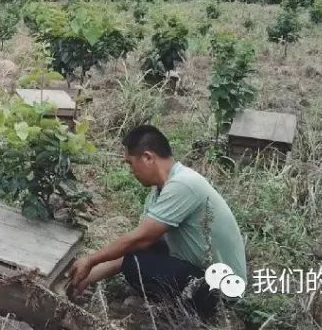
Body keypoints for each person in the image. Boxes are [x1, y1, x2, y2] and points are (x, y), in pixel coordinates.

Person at [66, 125, 246, 319]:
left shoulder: (183, 184)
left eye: (130, 163)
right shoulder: (158, 193)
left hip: (221, 291)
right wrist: (84, 279)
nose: (131, 171)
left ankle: (188, 314)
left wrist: (90, 260)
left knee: (135, 265)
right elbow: (133, 248)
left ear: (148, 157)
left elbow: (138, 240)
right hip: (200, 273)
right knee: (137, 255)